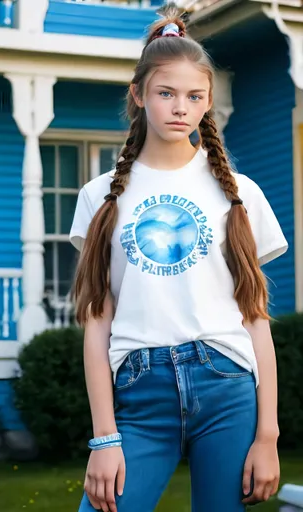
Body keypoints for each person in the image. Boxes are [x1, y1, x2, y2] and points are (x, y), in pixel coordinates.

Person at [69, 5, 288, 512]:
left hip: (228, 388)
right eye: (166, 93)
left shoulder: (239, 193)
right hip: (140, 394)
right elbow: (98, 322)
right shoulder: (99, 196)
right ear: (139, 95)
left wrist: (268, 436)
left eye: (194, 96)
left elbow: (254, 317)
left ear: (208, 101)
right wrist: (104, 438)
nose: (179, 107)